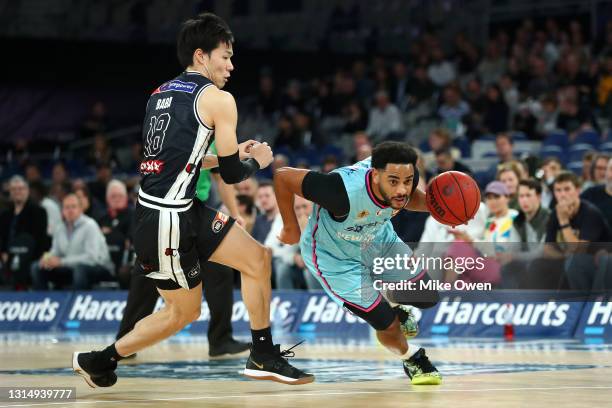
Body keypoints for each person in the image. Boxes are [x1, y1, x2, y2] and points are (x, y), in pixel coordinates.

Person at [72, 13, 313, 388]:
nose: (231, 66)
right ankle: (100, 359)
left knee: (257, 259)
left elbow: (187, 160)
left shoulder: (160, 93)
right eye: (226, 56)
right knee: (181, 313)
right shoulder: (218, 99)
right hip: (166, 219)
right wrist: (258, 160)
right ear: (201, 56)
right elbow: (234, 176)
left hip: (177, 207)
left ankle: (262, 353)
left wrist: (232, 154)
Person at [274, 141, 442, 385]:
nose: (402, 189)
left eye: (407, 181)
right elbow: (282, 177)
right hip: (334, 260)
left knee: (426, 296)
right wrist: (290, 227)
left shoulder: (406, 177)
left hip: (377, 240)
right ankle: (413, 358)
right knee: (387, 324)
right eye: (393, 182)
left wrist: (442, 210)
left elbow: (411, 199)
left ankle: (392, 303)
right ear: (375, 176)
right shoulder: (339, 191)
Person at [116, 143, 250, 358]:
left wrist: (235, 212)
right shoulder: (177, 132)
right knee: (147, 277)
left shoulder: (212, 137)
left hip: (197, 211)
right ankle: (125, 341)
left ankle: (221, 340)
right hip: (164, 209)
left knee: (220, 271)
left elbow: (220, 177)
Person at [31, 193, 113, 290]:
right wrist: (47, 259)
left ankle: (78, 303)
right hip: (70, 268)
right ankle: (44, 303)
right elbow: (55, 251)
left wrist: (62, 262)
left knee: (80, 269)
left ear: (80, 209)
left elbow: (92, 258)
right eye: (66, 207)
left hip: (98, 267)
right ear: (62, 211)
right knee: (37, 267)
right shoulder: (60, 228)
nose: (70, 210)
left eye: (73, 207)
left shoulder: (90, 226)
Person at [0, 176, 48, 289]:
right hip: (7, 257)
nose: (18, 192)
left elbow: (41, 239)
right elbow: (2, 238)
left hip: (30, 256)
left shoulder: (39, 212)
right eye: (14, 189)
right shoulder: (4, 215)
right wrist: (3, 253)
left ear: (27, 190)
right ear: (10, 192)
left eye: (21, 188)